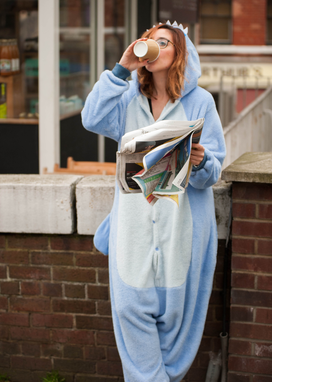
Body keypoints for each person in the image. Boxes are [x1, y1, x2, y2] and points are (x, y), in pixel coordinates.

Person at [81, 21, 226, 382]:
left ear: (180, 54)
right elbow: (91, 118)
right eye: (150, 40)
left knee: (177, 325)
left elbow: (213, 173)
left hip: (182, 231)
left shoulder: (200, 102)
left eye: (164, 42)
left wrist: (201, 161)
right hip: (132, 230)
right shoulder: (127, 99)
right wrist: (122, 67)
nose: (153, 46)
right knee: (130, 309)